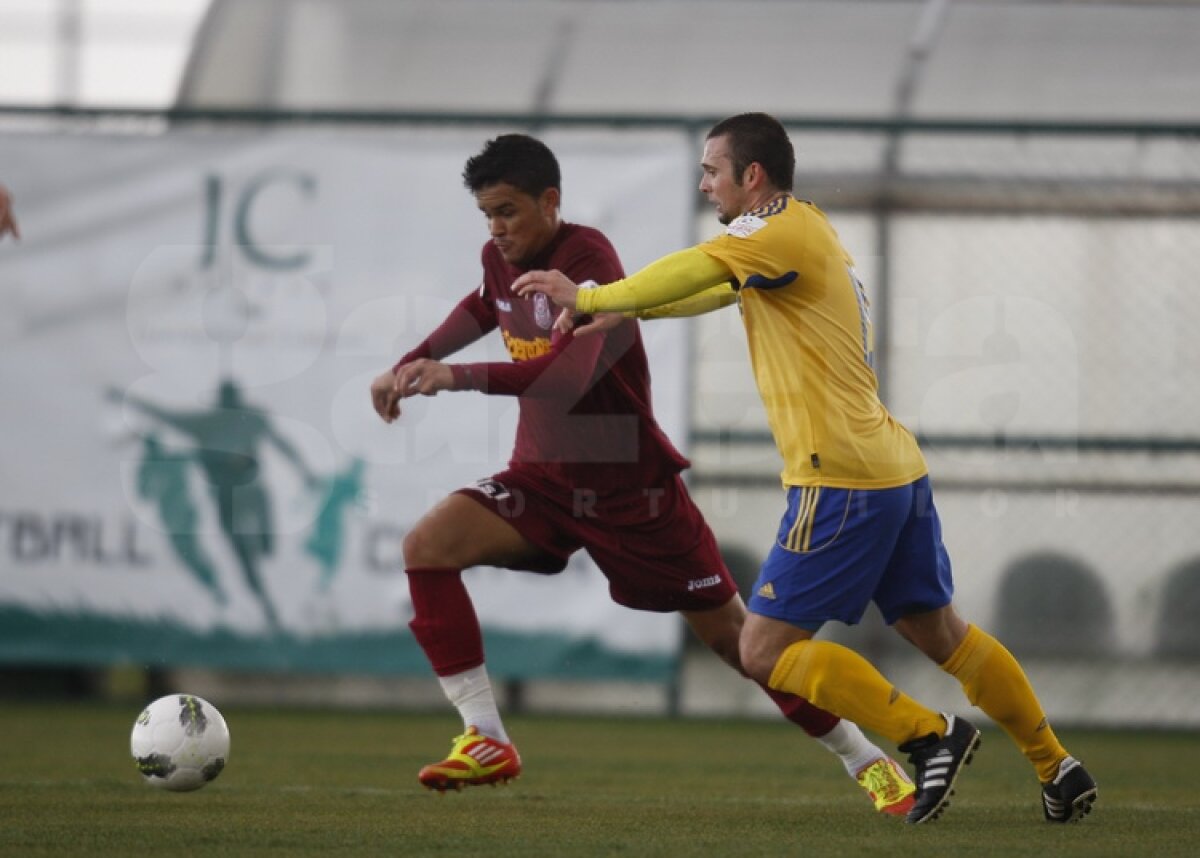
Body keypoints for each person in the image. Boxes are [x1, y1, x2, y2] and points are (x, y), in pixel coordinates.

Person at [513, 113, 1098, 825]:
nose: (704, 183)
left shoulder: (772, 231)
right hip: (890, 466)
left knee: (761, 651)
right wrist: (636, 317)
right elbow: (720, 288)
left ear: (750, 176)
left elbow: (700, 265)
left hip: (841, 482)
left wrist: (597, 296)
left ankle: (929, 735)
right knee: (940, 632)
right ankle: (1055, 765)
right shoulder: (802, 227)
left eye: (711, 170)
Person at [370, 133, 918, 815]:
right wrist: (412, 360)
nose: (497, 229)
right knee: (427, 547)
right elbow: (485, 304)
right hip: (541, 478)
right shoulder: (498, 258)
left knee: (741, 644)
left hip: (630, 489)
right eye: (487, 214)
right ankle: (485, 737)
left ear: (550, 201)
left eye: (508, 211)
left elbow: (566, 377)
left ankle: (865, 758)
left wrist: (453, 375)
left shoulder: (589, 261)